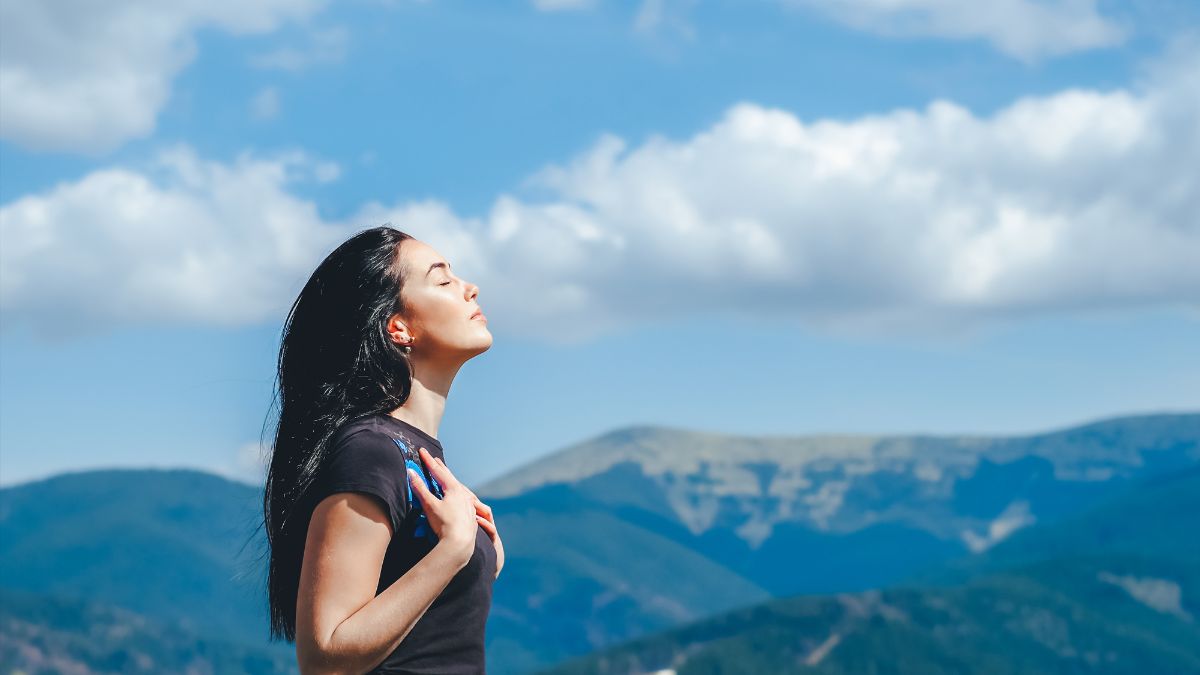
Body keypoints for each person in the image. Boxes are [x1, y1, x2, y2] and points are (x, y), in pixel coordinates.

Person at [260, 225, 505, 674]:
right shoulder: (371, 450)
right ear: (399, 328)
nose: (470, 288)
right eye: (443, 280)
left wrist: (481, 558)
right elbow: (323, 657)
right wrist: (454, 550)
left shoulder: (414, 454)